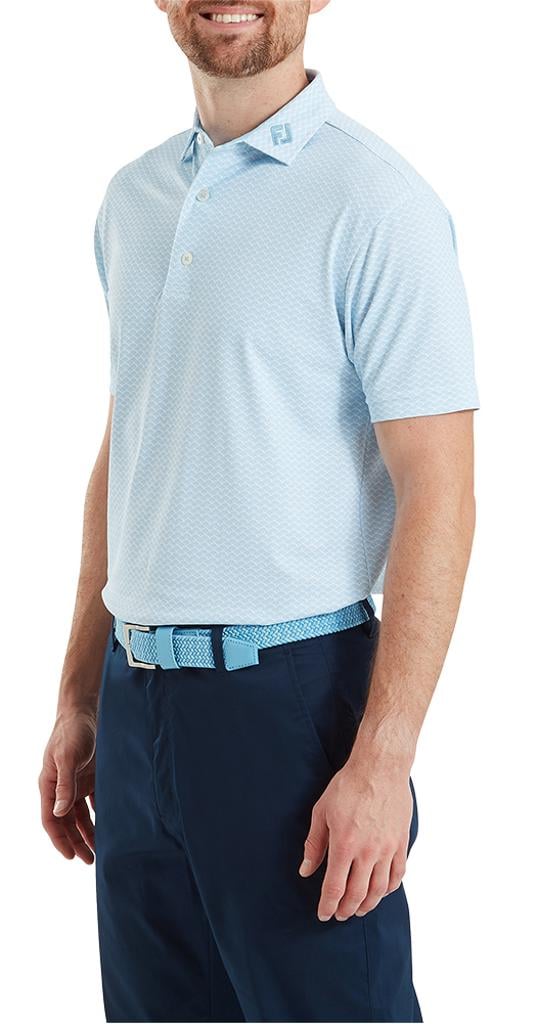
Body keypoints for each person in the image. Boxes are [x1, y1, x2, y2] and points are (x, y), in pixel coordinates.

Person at [39, 1, 480, 1021]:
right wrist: (80, 692)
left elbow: (441, 490)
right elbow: (130, 450)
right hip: (136, 704)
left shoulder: (376, 204)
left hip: (290, 707)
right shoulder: (132, 199)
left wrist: (384, 760)